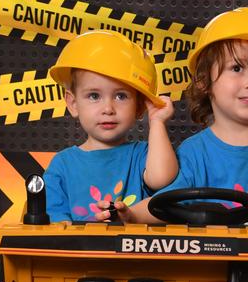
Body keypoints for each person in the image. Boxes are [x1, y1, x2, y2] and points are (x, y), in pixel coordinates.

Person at [124, 7, 248, 228]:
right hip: (211, 262)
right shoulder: (193, 153)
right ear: (204, 80)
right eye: (237, 68)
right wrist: (129, 215)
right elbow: (163, 206)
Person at [44, 30, 177, 223]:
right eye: (94, 96)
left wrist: (157, 122)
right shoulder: (62, 165)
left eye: (120, 96)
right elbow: (54, 226)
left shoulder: (143, 155)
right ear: (73, 104)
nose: (108, 108)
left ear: (139, 106)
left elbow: (162, 178)